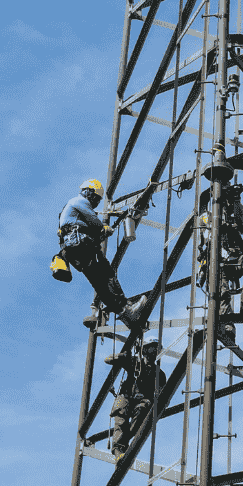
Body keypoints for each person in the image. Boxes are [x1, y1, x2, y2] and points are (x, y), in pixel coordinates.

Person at [54, 178, 147, 329]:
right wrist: (104, 228)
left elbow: (87, 226)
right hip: (82, 245)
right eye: (96, 198)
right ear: (88, 192)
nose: (96, 202)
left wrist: (100, 232)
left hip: (75, 250)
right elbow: (94, 222)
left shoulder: (70, 210)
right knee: (107, 274)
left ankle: (125, 314)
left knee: (100, 284)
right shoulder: (79, 201)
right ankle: (128, 308)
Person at [196, 181, 243, 339]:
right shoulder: (207, 213)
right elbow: (207, 218)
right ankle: (227, 324)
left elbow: (241, 225)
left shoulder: (231, 211)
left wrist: (236, 200)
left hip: (233, 258)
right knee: (223, 291)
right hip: (216, 262)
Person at [103, 339, 166, 456]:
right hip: (126, 397)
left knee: (142, 412)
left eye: (156, 349)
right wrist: (121, 357)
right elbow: (107, 359)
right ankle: (118, 450)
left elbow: (162, 395)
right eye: (152, 348)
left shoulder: (159, 374)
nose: (155, 352)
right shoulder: (134, 362)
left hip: (141, 402)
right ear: (145, 349)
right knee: (120, 416)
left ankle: (123, 443)